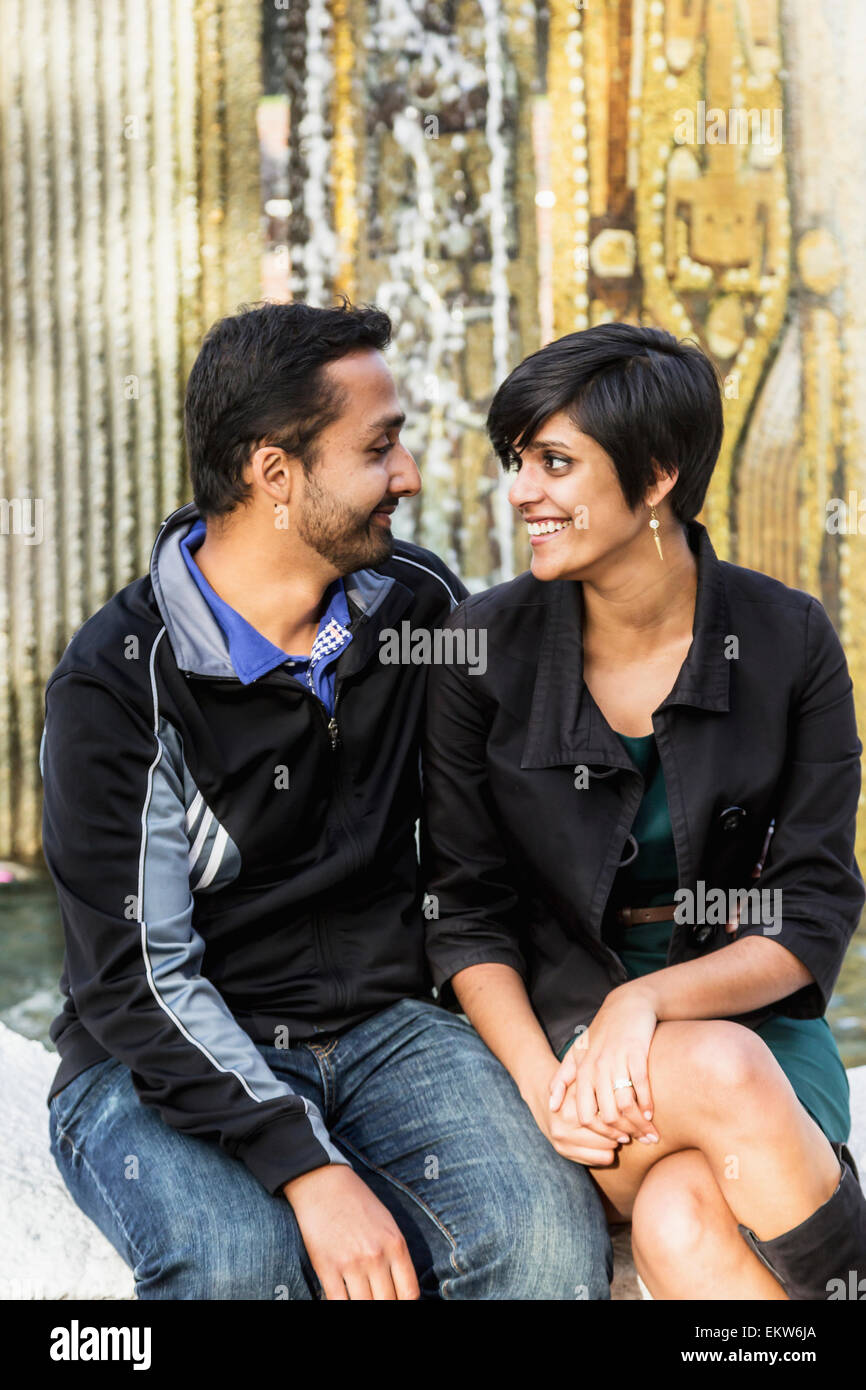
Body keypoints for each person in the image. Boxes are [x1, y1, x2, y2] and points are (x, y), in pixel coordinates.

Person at [41, 299, 612, 1301]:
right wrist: (307, 1167)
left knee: (543, 1247)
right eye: (378, 448)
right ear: (275, 474)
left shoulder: (415, 602)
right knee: (241, 1265)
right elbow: (139, 981)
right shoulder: (118, 683)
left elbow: (498, 846)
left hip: (389, 1028)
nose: (410, 475)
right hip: (158, 1053)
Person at [422, 321, 866, 1300]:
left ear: (657, 474)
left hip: (748, 1026)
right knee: (721, 1072)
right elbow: (464, 916)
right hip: (556, 1048)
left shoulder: (787, 639)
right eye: (515, 461)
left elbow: (812, 908)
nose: (520, 492)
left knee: (679, 1217)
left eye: (553, 462)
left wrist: (648, 1001)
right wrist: (543, 1085)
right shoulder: (478, 650)